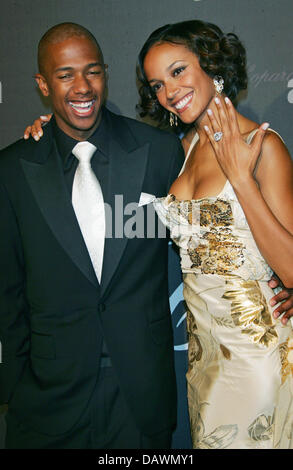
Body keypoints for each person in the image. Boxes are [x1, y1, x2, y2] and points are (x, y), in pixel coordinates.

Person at [0, 22, 185, 449]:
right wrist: (11, 385)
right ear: (42, 84)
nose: (82, 86)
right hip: (46, 402)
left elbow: (217, 226)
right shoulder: (12, 170)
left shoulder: (158, 151)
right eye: (65, 75)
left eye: (93, 71)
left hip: (140, 399)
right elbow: (6, 293)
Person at [135, 20, 293, 449]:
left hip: (254, 354)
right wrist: (45, 131)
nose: (168, 91)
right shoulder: (179, 151)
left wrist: (241, 179)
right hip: (203, 357)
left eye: (178, 71)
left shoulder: (263, 145)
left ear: (211, 65)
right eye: (157, 84)